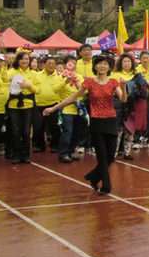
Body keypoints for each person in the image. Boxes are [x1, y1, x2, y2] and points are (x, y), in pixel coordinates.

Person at [45, 55, 127, 195]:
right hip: (96, 121)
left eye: (105, 64)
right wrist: (53, 108)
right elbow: (73, 97)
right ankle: (106, 186)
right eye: (99, 64)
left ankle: (93, 176)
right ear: (95, 66)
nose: (102, 66)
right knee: (101, 156)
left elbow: (123, 99)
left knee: (110, 156)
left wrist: (124, 88)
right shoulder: (89, 82)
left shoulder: (113, 82)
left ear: (109, 67)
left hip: (111, 120)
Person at [6, 51, 41, 164]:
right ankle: (15, 154)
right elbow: (5, 79)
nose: (25, 61)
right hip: (14, 105)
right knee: (15, 131)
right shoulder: (13, 71)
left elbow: (38, 90)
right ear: (18, 60)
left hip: (28, 104)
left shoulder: (34, 73)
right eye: (22, 59)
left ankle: (26, 155)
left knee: (26, 131)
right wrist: (6, 65)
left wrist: (28, 86)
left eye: (27, 59)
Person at [111, 53, 148, 161]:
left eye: (129, 61)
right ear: (120, 63)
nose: (127, 63)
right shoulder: (115, 75)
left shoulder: (136, 75)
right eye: (124, 61)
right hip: (119, 103)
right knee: (118, 129)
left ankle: (127, 152)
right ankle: (114, 152)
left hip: (133, 105)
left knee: (130, 129)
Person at [33, 56, 61, 153]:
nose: (51, 65)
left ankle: (55, 145)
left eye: (53, 64)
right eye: (49, 63)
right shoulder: (37, 74)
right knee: (38, 127)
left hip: (53, 105)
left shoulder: (59, 76)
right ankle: (40, 146)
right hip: (38, 104)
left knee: (54, 126)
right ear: (44, 64)